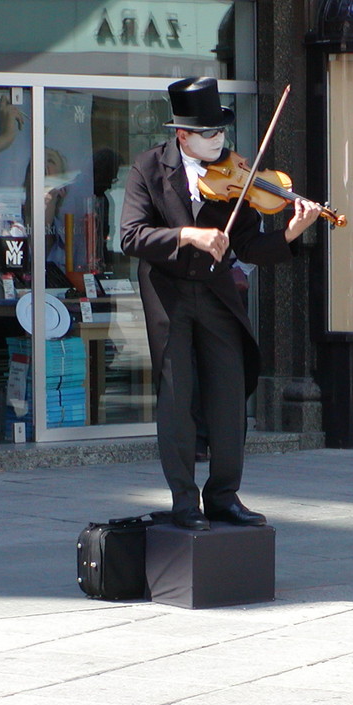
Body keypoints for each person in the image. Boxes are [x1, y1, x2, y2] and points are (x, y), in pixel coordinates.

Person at [120, 76, 321, 530]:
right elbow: (131, 236)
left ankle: (225, 495)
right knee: (177, 398)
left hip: (216, 292)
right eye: (209, 134)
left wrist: (290, 231)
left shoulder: (239, 175)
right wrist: (188, 234)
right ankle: (185, 502)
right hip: (168, 296)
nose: (219, 142)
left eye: (221, 132)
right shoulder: (148, 168)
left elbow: (248, 246)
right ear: (182, 134)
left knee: (229, 395)